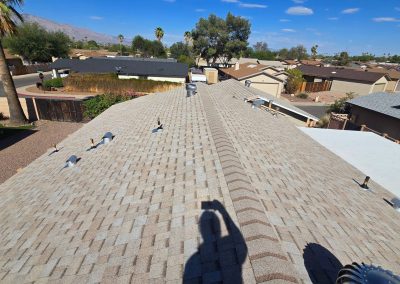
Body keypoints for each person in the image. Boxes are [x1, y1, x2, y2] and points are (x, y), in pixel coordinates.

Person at [183, 200, 247, 284]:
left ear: (200, 230)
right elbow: (239, 239)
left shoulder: (192, 260)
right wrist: (222, 211)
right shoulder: (192, 260)